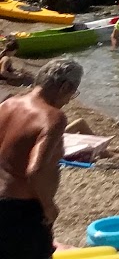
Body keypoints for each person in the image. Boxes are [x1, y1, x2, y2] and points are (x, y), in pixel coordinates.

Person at [0, 56, 83, 257]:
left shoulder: (8, 104)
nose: (69, 100)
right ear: (64, 86)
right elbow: (35, 170)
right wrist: (48, 207)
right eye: (73, 92)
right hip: (20, 210)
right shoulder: (53, 116)